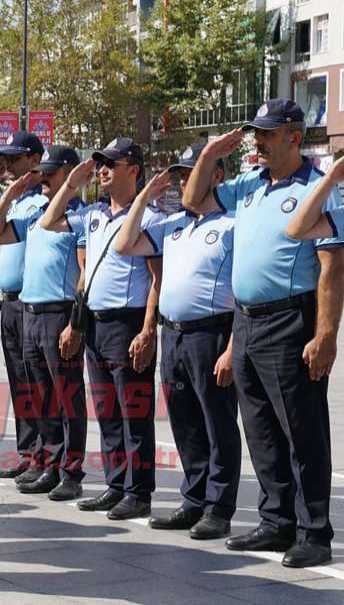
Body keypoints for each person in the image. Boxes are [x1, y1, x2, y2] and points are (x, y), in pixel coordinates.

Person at [187, 99, 343, 568]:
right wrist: (209, 154)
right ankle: (277, 521)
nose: (259, 142)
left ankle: (314, 530)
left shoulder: (320, 188)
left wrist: (326, 335)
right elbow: (194, 200)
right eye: (257, 132)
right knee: (260, 430)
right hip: (246, 321)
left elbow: (332, 267)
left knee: (302, 429)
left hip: (289, 320)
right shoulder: (248, 187)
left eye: (268, 134)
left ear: (294, 138)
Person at [113, 144, 241, 540]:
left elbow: (244, 293)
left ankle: (218, 508)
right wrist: (144, 199)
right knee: (185, 423)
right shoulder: (175, 225)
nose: (186, 182)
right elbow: (124, 243)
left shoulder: (234, 224)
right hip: (175, 335)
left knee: (217, 423)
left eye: (193, 173)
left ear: (217, 177)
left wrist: (233, 348)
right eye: (182, 175)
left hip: (212, 333)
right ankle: (194, 498)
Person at [39, 137, 162, 520]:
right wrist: (71, 183)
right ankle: (115, 484)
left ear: (134, 169)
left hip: (129, 321)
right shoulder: (93, 214)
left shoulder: (150, 217)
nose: (103, 170)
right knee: (107, 411)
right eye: (100, 164)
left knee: (133, 412)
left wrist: (147, 330)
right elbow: (47, 221)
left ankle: (138, 491)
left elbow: (157, 278)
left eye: (112, 163)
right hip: (96, 322)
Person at [0, 145, 87, 500]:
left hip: (60, 313)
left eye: (52, 172)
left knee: (66, 396)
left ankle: (71, 471)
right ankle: (48, 461)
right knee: (39, 395)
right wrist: (11, 192)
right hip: (30, 312)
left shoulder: (80, 217)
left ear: (71, 174)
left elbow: (84, 274)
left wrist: (76, 322)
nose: (44, 179)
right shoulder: (36, 215)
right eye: (41, 172)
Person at [0, 132, 48, 482]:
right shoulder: (16, 201)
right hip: (8, 304)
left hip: (32, 302)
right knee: (19, 383)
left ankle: (46, 454)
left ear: (35, 160)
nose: (8, 164)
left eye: (15, 158)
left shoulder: (43, 201)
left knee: (36, 382)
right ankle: (29, 451)